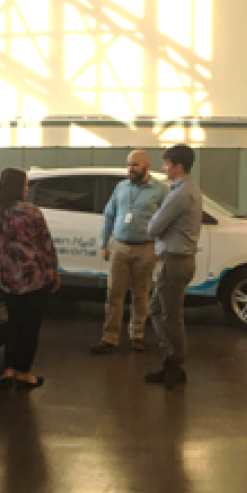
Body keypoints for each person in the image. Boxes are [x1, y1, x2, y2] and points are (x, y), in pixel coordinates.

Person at [0, 167, 60, 390]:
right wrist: (55, 271)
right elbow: (46, 244)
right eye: (25, 185)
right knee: (29, 327)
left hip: (8, 280)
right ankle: (23, 373)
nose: (26, 189)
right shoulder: (31, 211)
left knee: (12, 325)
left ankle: (8, 370)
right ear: (17, 187)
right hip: (35, 279)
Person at [91, 150, 168, 354]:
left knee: (141, 294)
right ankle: (110, 337)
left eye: (134, 165)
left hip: (146, 248)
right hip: (119, 247)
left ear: (146, 166)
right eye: (128, 165)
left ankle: (137, 335)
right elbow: (109, 215)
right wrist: (103, 243)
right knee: (114, 294)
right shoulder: (121, 187)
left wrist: (162, 247)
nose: (130, 169)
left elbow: (167, 221)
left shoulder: (160, 191)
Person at [144, 144, 202, 390]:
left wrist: (157, 220)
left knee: (170, 316)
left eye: (166, 164)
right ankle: (171, 360)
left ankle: (175, 366)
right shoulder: (188, 189)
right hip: (177, 260)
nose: (164, 168)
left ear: (178, 166)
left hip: (173, 262)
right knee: (157, 310)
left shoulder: (179, 194)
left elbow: (153, 228)